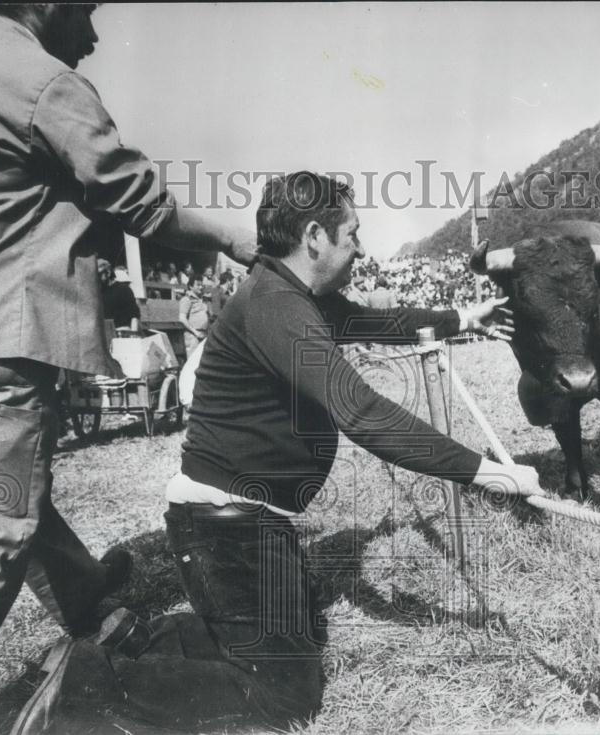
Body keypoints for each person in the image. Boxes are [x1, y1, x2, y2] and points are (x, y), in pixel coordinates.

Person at [0, 5, 255, 734]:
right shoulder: (41, 80)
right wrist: (238, 238)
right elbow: (143, 204)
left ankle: (86, 601)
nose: (93, 36)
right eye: (84, 11)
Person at [163, 172, 544, 727]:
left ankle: (141, 637)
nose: (361, 249)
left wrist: (463, 317)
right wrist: (488, 473)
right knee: (285, 701)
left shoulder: (292, 293)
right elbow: (361, 412)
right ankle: (89, 677)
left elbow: (377, 321)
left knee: (299, 639)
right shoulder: (276, 303)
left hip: (248, 522)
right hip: (224, 527)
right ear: (315, 235)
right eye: (353, 234)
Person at [98, 259, 141, 332]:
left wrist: (133, 334)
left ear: (108, 273)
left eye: (98, 275)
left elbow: (134, 316)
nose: (96, 279)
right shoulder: (98, 293)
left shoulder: (124, 290)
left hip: (123, 334)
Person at [178, 276, 211, 356]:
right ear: (191, 286)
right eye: (198, 285)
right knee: (192, 362)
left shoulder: (203, 300)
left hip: (204, 334)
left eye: (201, 285)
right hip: (193, 335)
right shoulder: (187, 299)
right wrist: (195, 332)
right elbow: (182, 318)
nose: (201, 287)